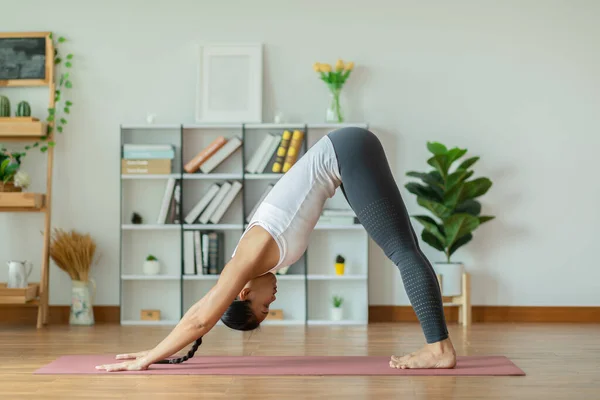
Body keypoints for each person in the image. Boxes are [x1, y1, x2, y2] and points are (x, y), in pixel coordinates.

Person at [96, 127, 457, 372]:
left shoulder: (247, 259)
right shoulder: (247, 264)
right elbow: (203, 307)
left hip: (346, 151)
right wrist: (156, 351)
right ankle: (439, 347)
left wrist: (145, 360)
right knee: (407, 250)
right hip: (345, 155)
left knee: (401, 252)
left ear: (245, 292)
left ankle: (439, 349)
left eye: (264, 305)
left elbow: (201, 317)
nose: (274, 300)